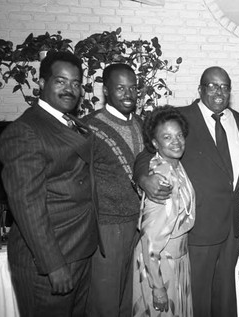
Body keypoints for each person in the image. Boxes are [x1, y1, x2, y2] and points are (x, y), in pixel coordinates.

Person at [134, 66, 239, 317]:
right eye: (212, 85)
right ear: (200, 88)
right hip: (199, 227)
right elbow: (147, 152)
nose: (219, 91)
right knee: (197, 298)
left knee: (225, 295)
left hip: (232, 226)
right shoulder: (182, 117)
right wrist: (144, 178)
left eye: (224, 87)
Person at [0, 51, 99, 317]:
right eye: (61, 81)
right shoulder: (25, 131)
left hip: (79, 249)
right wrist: (53, 265)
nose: (70, 89)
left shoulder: (72, 123)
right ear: (42, 83)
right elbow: (28, 205)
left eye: (76, 83)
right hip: (49, 260)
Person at [83, 63, 144, 317]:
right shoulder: (88, 127)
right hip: (107, 228)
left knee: (130, 301)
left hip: (139, 226)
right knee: (104, 303)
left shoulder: (142, 124)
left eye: (132, 88)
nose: (128, 94)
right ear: (106, 90)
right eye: (120, 88)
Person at [133, 105, 195, 316]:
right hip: (160, 263)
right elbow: (150, 240)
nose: (176, 141)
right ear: (155, 143)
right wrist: (158, 286)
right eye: (167, 137)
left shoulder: (175, 164)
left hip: (177, 259)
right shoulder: (161, 176)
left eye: (179, 135)